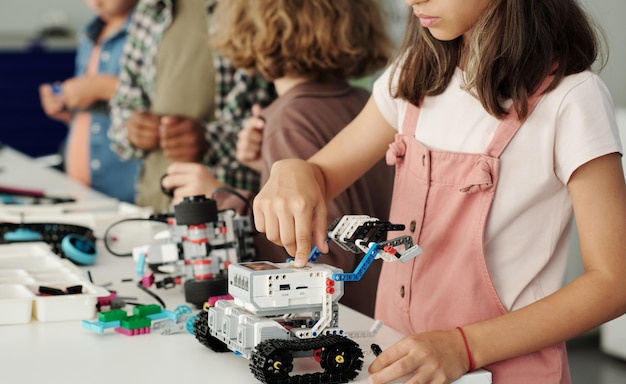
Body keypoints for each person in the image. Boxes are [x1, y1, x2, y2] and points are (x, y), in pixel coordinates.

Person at [251, 0, 626, 384]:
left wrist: (462, 347)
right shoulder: (412, 76)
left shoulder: (571, 97)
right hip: (399, 373)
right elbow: (321, 173)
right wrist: (292, 170)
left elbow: (614, 281)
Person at [161, 0, 393, 317]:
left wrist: (223, 199)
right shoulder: (368, 103)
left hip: (347, 320)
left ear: (250, 28)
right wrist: (264, 167)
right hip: (385, 310)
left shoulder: (289, 121)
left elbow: (318, 257)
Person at [109, 0, 275, 213]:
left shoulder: (249, 7)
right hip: (151, 206)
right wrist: (131, 129)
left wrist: (209, 141)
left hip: (228, 213)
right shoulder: (150, 8)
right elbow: (123, 105)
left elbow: (275, 121)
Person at [39, 0, 141, 203]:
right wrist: (64, 106)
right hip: (79, 184)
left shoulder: (144, 33)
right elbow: (89, 117)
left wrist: (101, 87)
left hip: (125, 192)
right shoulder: (89, 35)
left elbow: (160, 98)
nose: (96, 2)